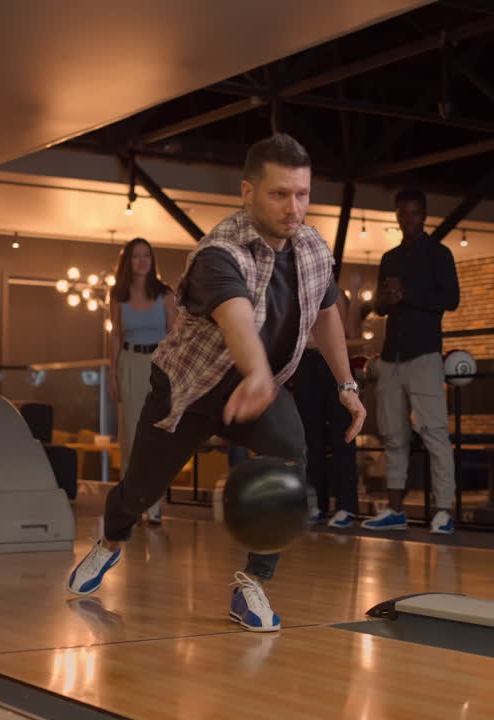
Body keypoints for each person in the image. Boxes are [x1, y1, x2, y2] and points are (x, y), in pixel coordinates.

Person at [66, 134, 366, 632]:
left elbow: (327, 311)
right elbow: (238, 319)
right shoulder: (219, 253)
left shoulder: (311, 245)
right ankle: (111, 542)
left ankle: (252, 585)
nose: (293, 208)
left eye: (302, 194)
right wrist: (255, 373)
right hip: (188, 390)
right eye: (279, 194)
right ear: (247, 192)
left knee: (292, 453)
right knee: (140, 489)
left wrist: (347, 386)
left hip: (260, 386)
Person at [363, 188, 460, 535]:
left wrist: (408, 294)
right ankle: (395, 510)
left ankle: (444, 511)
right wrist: (386, 299)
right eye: (403, 213)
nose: (409, 219)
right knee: (393, 437)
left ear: (424, 214)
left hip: (425, 356)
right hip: (391, 357)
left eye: (415, 213)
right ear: (397, 216)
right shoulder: (389, 258)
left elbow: (451, 299)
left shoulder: (439, 254)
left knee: (434, 433)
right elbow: (378, 308)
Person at [107, 237, 177, 525]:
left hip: (160, 365)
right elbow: (115, 337)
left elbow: (174, 335)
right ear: (128, 262)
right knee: (131, 436)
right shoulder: (118, 295)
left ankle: (155, 504)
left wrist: (175, 375)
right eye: (136, 256)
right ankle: (130, 504)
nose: (142, 261)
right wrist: (113, 374)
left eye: (147, 256)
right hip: (130, 364)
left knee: (157, 436)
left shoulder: (165, 294)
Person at [291, 291, 360, 528]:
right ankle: (315, 504)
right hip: (305, 363)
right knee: (311, 438)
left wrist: (357, 296)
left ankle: (346, 506)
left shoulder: (337, 294)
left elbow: (350, 332)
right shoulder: (300, 290)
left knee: (343, 436)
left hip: (334, 364)